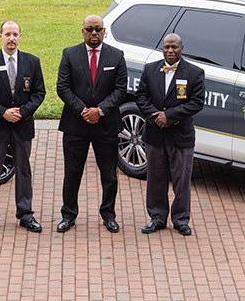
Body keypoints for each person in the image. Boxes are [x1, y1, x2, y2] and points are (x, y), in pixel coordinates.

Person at [0, 20, 45, 235]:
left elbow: (39, 93)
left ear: (20, 36)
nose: (11, 38)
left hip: (22, 127)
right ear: (0, 36)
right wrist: (2, 112)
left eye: (15, 34)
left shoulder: (32, 62)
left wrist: (22, 112)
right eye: (7, 34)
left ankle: (26, 214)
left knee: (23, 170)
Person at [56, 14, 127, 233]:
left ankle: (108, 214)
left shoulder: (116, 56)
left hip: (106, 126)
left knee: (109, 174)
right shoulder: (69, 54)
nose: (94, 33)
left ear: (104, 31)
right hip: (76, 125)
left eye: (98, 29)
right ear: (83, 31)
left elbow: (120, 89)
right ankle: (68, 215)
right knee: (72, 173)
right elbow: (63, 87)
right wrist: (84, 110)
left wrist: (101, 110)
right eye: (90, 29)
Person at [136, 33, 205, 236]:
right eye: (167, 47)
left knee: (181, 179)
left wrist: (170, 116)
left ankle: (181, 219)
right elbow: (141, 96)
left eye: (174, 47)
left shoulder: (194, 73)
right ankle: (157, 218)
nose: (170, 51)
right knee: (155, 178)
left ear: (182, 48)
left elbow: (197, 102)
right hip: (154, 134)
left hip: (180, 136)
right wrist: (155, 116)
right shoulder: (150, 69)